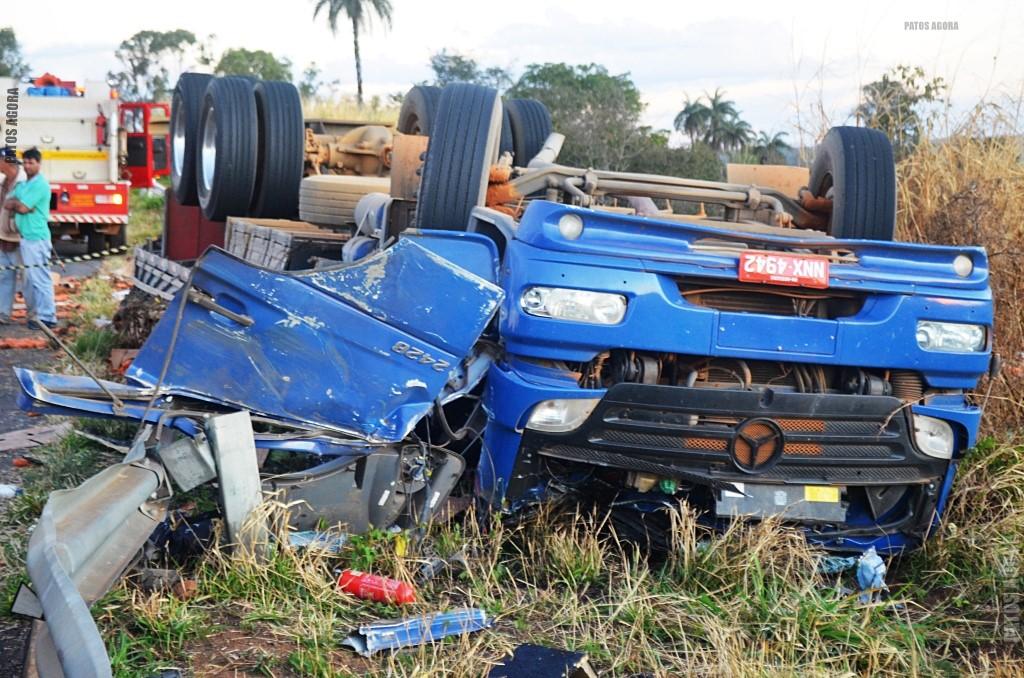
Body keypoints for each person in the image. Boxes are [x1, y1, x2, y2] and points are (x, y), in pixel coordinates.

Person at [3, 148, 56, 327]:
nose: (27, 166)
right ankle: (42, 315)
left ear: (39, 164)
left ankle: (47, 317)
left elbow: (22, 207)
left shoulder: (40, 184)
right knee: (32, 279)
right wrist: (21, 205)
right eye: (25, 162)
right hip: (26, 237)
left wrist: (21, 205)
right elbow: (9, 203)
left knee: (39, 278)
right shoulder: (25, 184)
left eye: (31, 162)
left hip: (37, 237)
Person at [0, 149, 25, 324]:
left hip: (22, 238)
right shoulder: (3, 183)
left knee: (28, 277)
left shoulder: (23, 183)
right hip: (4, 236)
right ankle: (3, 313)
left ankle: (38, 315)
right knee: (5, 275)